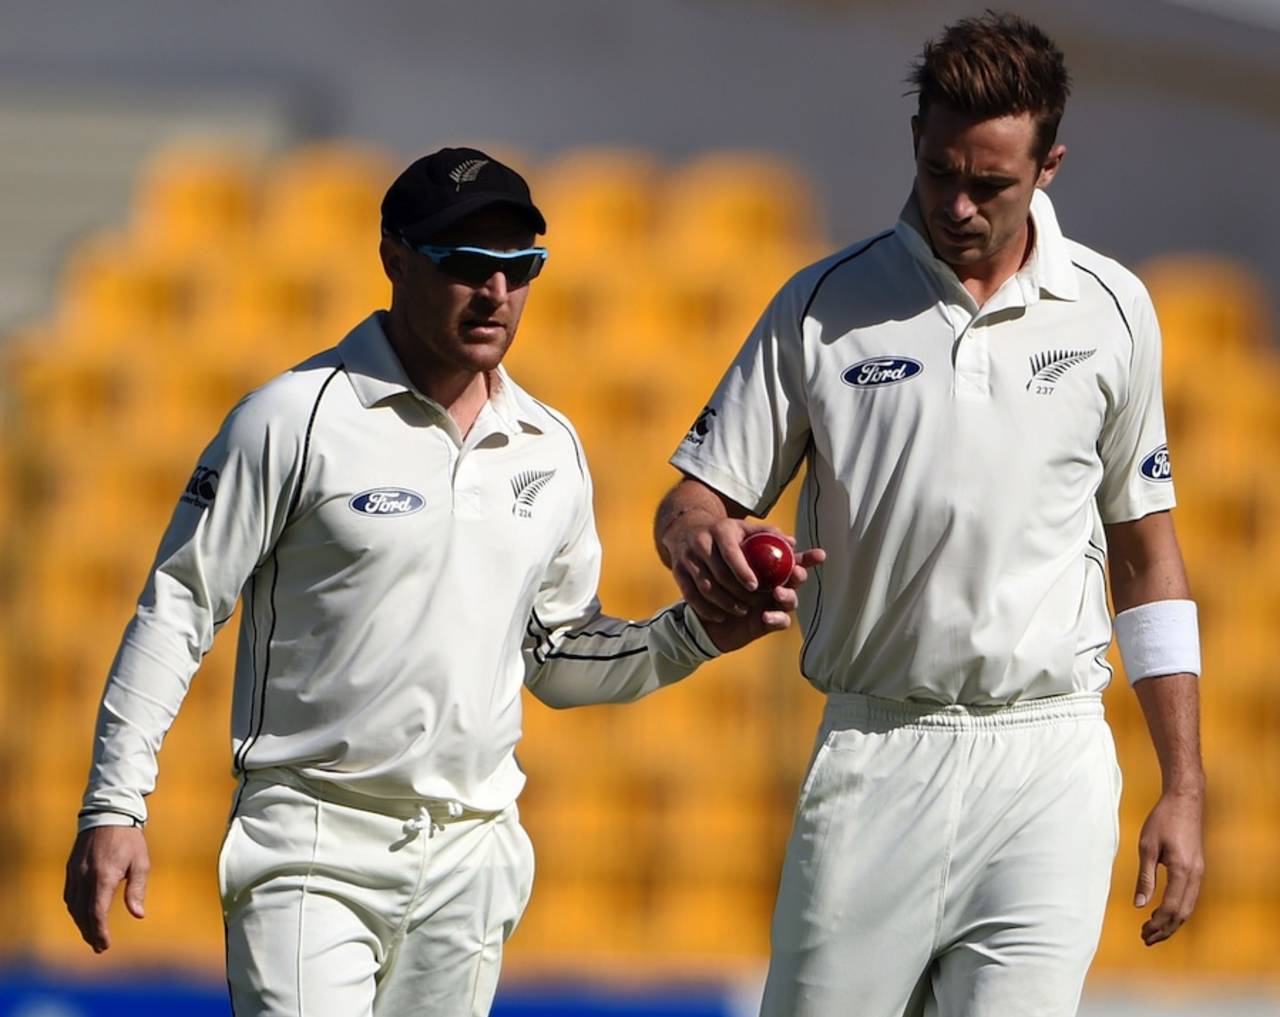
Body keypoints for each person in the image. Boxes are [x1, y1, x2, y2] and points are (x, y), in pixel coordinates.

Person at [63, 146, 814, 1017]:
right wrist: (113, 805)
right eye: (465, 265)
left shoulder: (550, 445)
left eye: (519, 268)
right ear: (395, 258)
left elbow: (557, 656)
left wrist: (693, 635)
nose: (495, 293)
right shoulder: (293, 419)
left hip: (470, 857)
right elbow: (177, 610)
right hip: (309, 844)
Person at [655, 13, 1204, 1017]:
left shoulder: (1114, 309)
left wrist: (1181, 786)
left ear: (1048, 166)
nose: (955, 204)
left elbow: (1145, 557)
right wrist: (704, 542)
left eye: (986, 184)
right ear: (915, 137)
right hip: (876, 752)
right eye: (936, 170)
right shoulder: (821, 303)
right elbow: (695, 499)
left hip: (1048, 761)